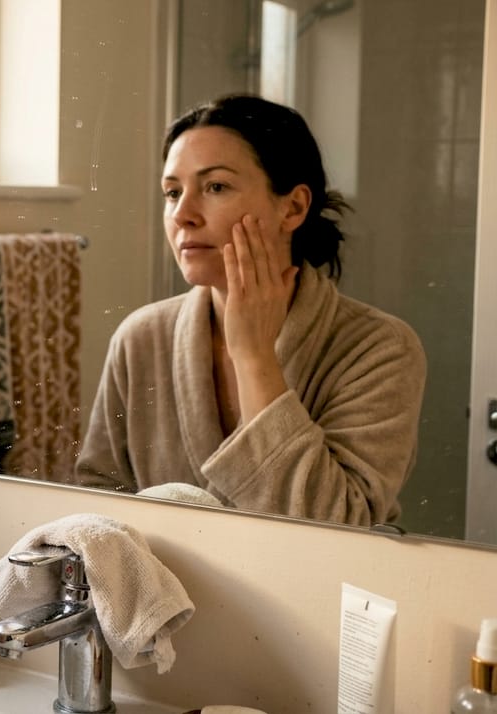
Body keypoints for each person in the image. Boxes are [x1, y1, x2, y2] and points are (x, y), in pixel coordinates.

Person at [73, 94, 427, 527]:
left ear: (293, 207)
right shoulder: (141, 337)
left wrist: (254, 354)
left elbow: (338, 527)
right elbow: (98, 505)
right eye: (171, 192)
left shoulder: (379, 348)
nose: (182, 214)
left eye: (215, 187)